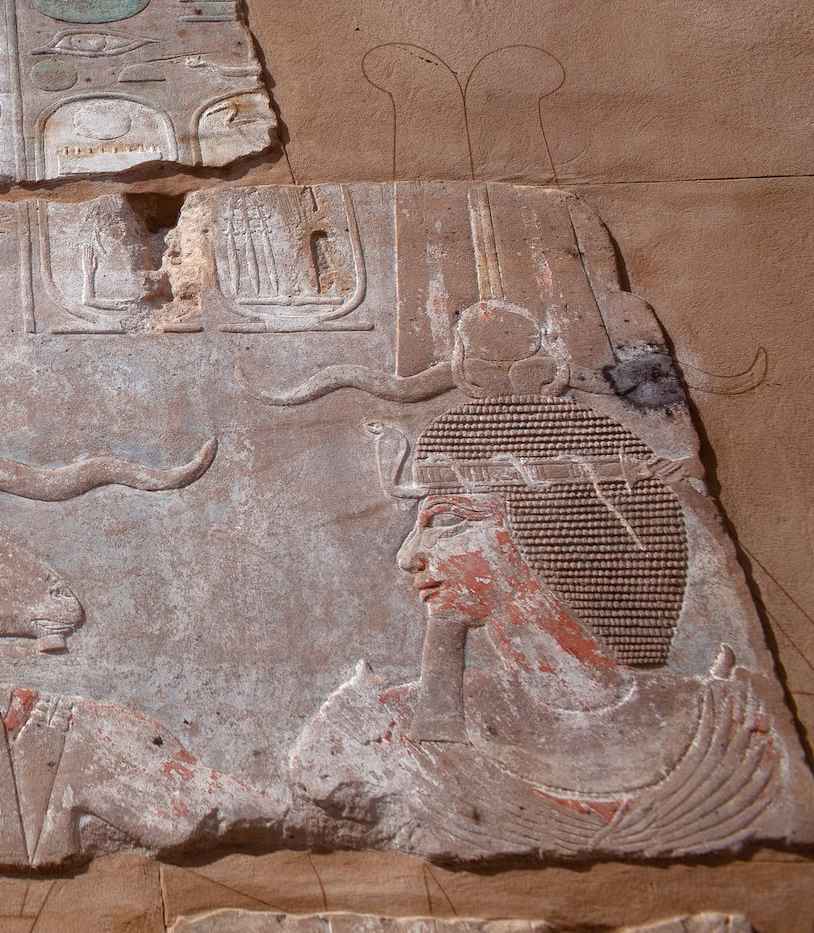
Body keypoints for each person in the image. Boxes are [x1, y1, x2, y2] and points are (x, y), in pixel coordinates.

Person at [289, 305, 786, 858]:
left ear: (553, 533)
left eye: (448, 522)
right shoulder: (372, 731)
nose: (409, 556)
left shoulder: (732, 727)